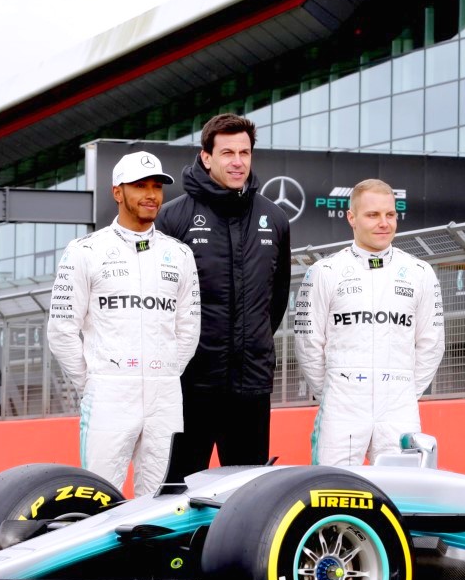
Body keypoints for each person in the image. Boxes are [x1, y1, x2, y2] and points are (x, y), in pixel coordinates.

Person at [47, 151, 200, 497]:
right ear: (118, 192)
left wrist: (167, 371)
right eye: (139, 186)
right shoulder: (85, 251)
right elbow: (61, 329)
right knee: (98, 494)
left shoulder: (180, 254)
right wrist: (92, 382)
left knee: (163, 499)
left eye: (157, 186)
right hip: (109, 392)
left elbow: (188, 326)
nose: (151, 194)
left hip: (165, 393)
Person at [156, 113, 290, 476]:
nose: (237, 162)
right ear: (206, 157)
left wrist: (252, 341)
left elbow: (276, 299)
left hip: (251, 385)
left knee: (248, 491)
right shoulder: (173, 219)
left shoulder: (274, 219)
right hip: (190, 386)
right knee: (176, 490)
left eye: (244, 153)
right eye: (227, 152)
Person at [294, 178, 445, 467]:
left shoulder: (419, 272)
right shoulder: (325, 272)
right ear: (351, 217)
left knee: (403, 494)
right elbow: (309, 344)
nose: (383, 223)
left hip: (399, 405)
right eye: (372, 215)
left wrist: (402, 389)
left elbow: (431, 343)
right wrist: (334, 389)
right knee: (333, 492)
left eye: (390, 215)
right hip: (342, 403)